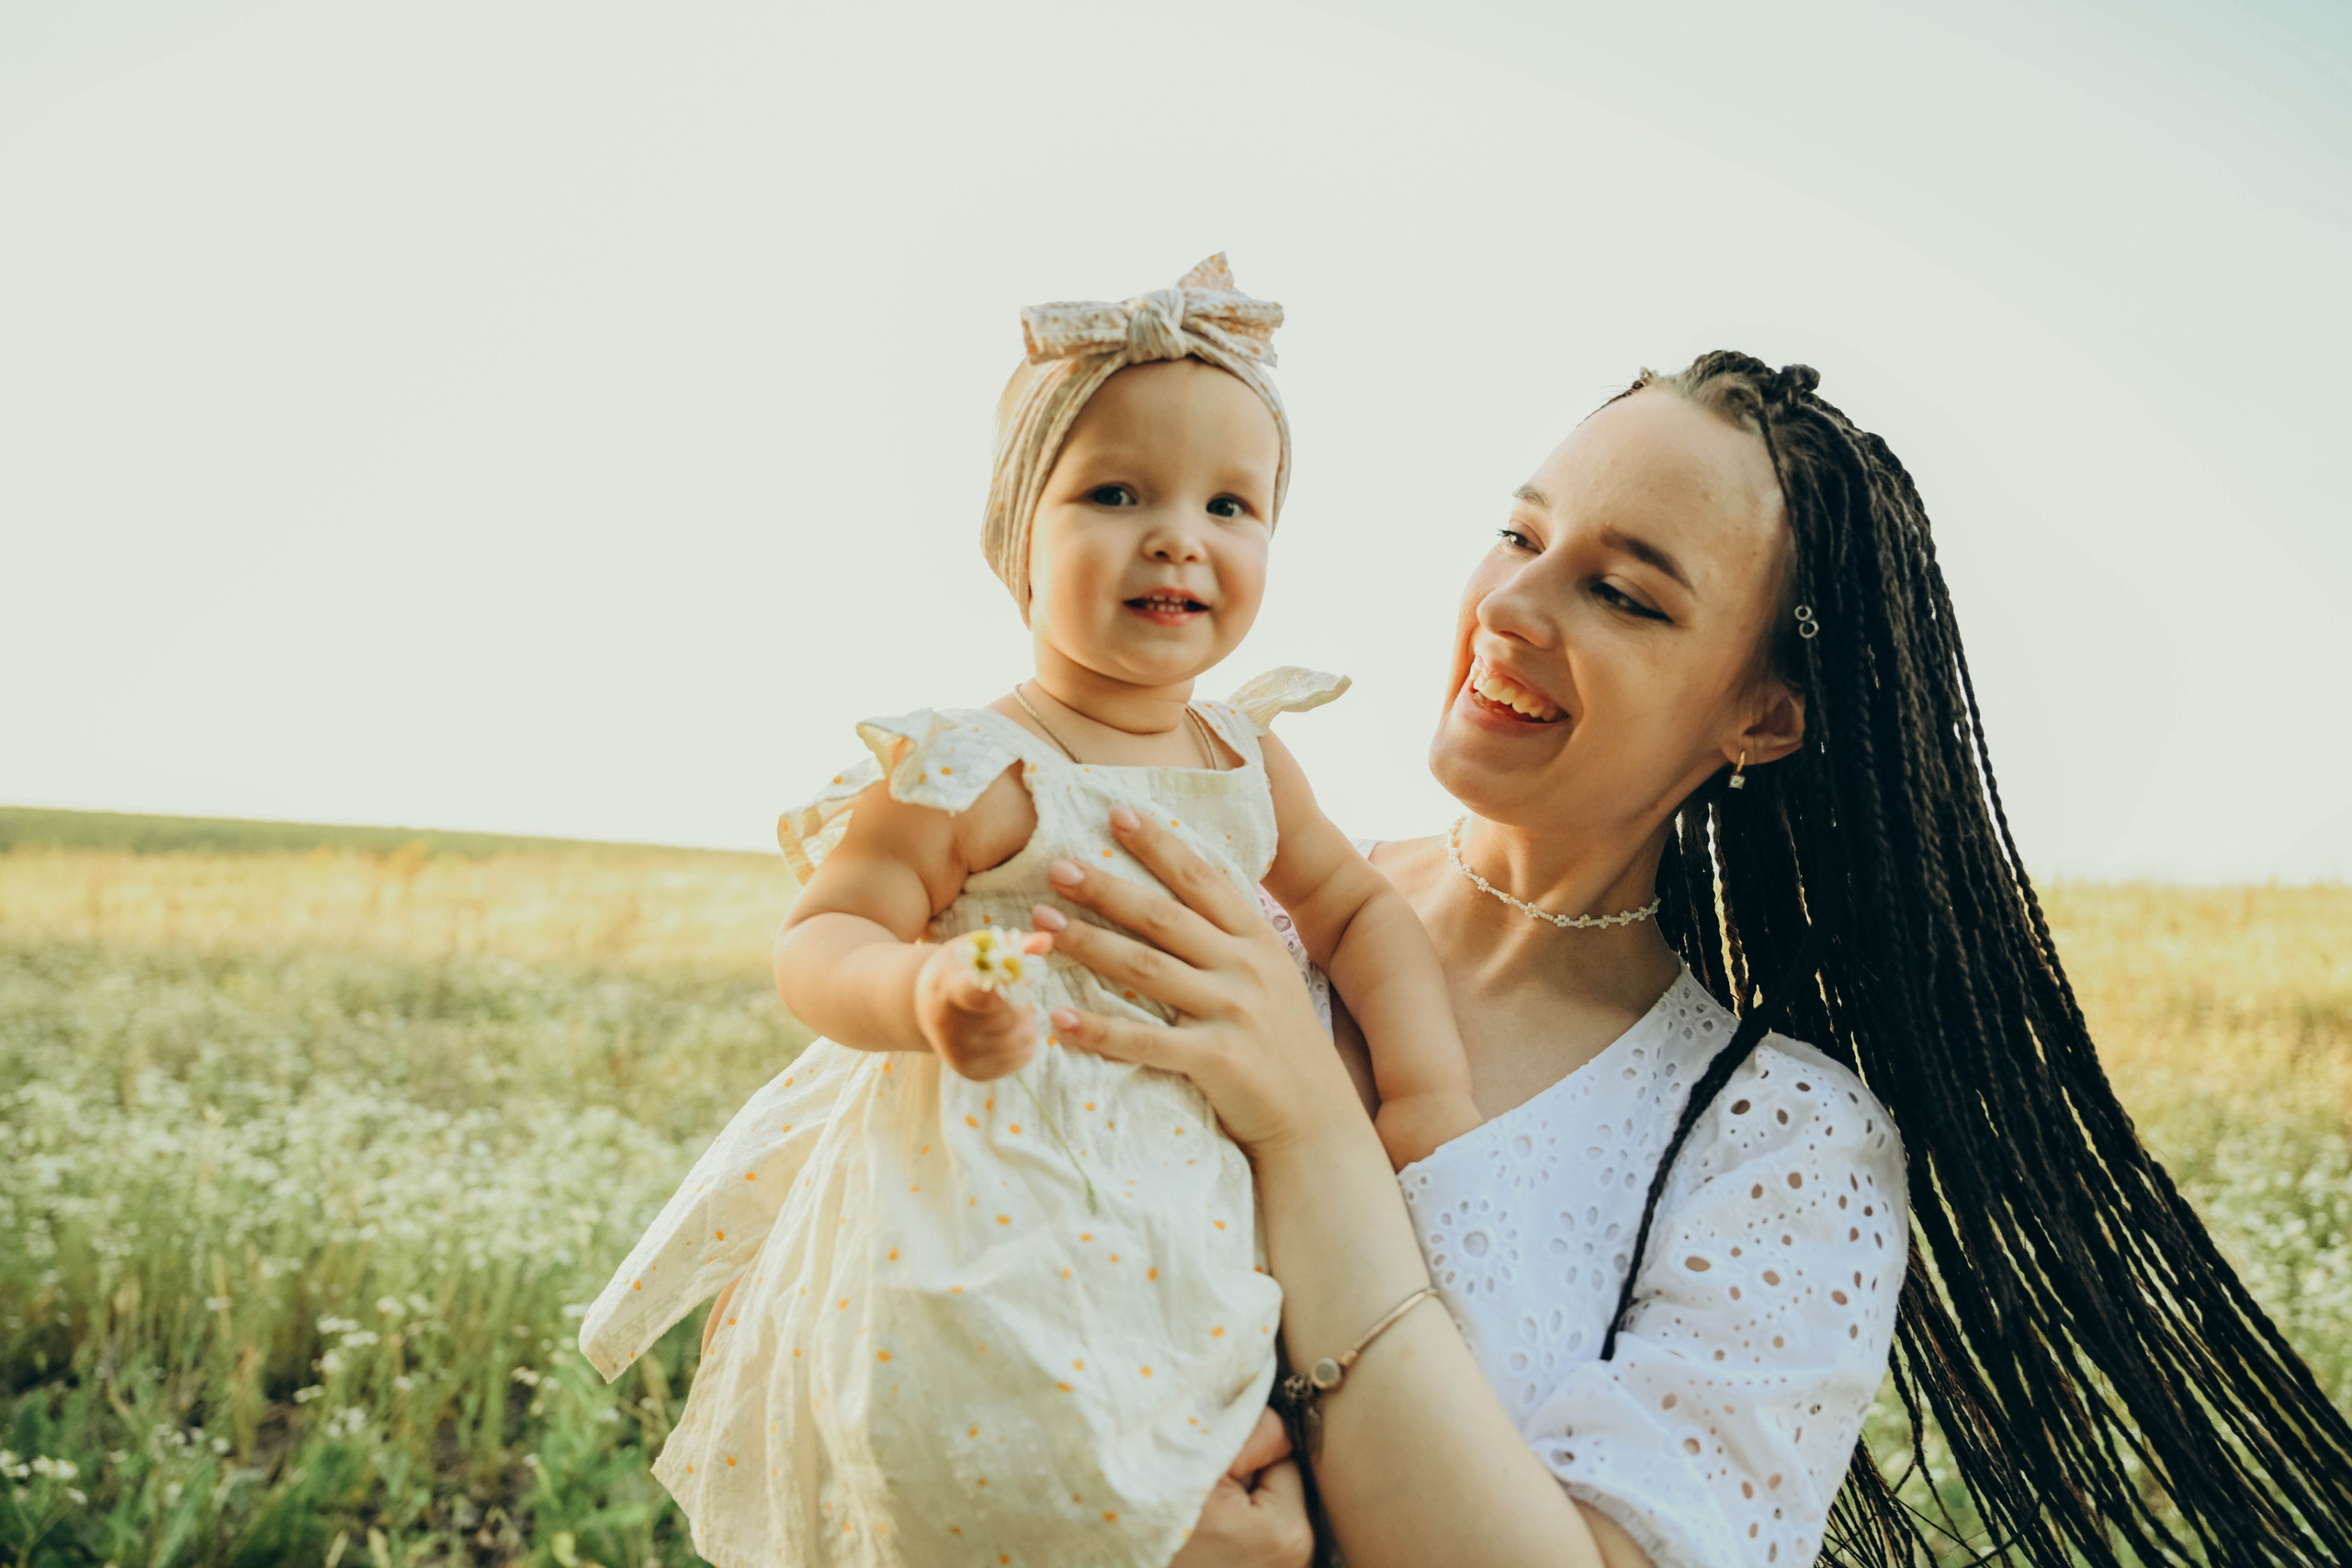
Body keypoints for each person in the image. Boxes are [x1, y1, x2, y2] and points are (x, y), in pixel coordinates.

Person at [1032, 353, 2352, 1567]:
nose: (1513, 605)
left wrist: (1312, 1130)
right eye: (1519, 532)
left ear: (1762, 717)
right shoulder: (1219, 897)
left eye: (1621, 592)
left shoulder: (1781, 1147)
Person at [574, 255, 1476, 1568]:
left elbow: (1357, 915)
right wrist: (922, 995)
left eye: (1233, 504)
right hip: (1000, 1176)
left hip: (1189, 1183)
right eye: (1116, 493)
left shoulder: (1246, 757)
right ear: (1017, 538)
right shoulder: (972, 766)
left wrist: (1425, 1095)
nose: (1179, 535)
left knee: (1201, 1424)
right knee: (1002, 1435)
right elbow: (824, 938)